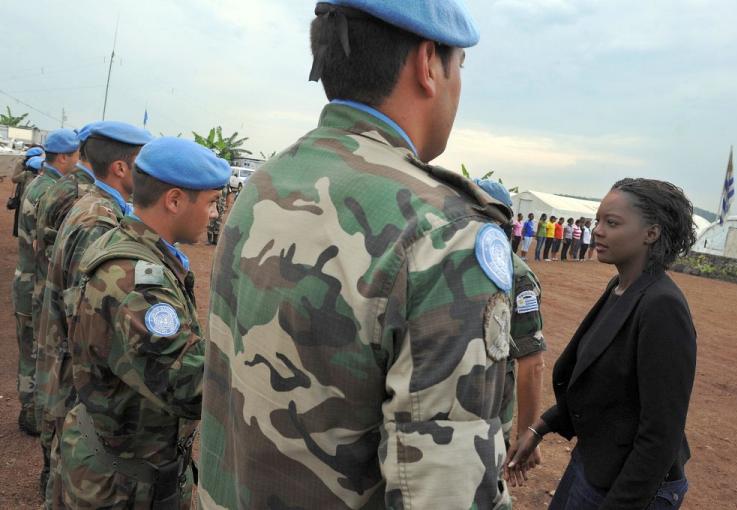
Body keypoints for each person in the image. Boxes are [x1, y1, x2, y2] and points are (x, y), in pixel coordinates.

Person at [199, 2, 516, 509]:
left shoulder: (268, 181)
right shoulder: (441, 233)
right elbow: (445, 494)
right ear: (428, 63)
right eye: (461, 65)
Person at [59, 137, 229, 509]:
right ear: (174, 200)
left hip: (125, 464)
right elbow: (188, 388)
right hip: (122, 486)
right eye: (213, 202)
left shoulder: (132, 247)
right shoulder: (137, 284)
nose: (216, 215)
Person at [506, 178, 698, 509]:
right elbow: (599, 388)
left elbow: (660, 435)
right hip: (594, 464)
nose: (597, 231)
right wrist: (539, 428)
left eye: (612, 223)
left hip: (628, 486)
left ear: (651, 233)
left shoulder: (662, 307)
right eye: (597, 221)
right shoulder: (620, 288)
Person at [36, 121, 152, 507]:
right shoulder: (98, 222)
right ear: (120, 168)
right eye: (142, 163)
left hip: (69, 368)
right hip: (77, 376)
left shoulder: (93, 208)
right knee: (73, 478)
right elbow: (87, 317)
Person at [32, 123, 99, 496]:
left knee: (51, 389)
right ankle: (52, 478)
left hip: (46, 291)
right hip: (59, 305)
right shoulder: (77, 197)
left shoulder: (64, 190)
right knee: (61, 399)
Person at [473, 180, 547, 510]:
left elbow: (531, 362)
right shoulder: (514, 272)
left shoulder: (515, 275)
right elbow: (532, 364)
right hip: (484, 412)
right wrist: (528, 433)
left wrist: (529, 433)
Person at [12, 129, 79, 440]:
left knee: (30, 351)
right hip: (35, 286)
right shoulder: (50, 191)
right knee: (36, 353)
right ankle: (32, 414)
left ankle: (31, 410)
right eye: (76, 156)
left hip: (27, 283)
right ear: (64, 157)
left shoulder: (39, 184)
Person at [9, 146, 44, 237]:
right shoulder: (21, 163)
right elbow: (14, 179)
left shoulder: (42, 164)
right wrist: (26, 174)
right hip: (23, 195)